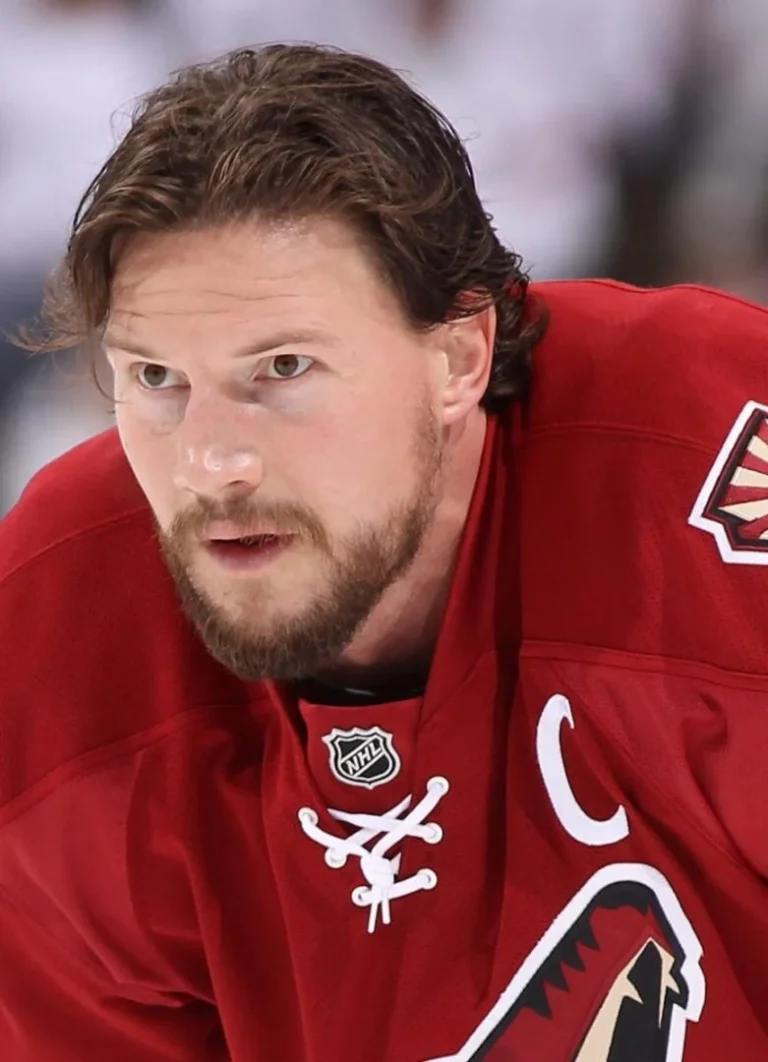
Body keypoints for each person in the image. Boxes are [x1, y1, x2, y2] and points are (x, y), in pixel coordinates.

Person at [1, 43, 767, 1062]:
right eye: (155, 379)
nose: (212, 463)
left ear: (459, 355)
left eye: (283, 368)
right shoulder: (55, 646)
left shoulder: (708, 495)